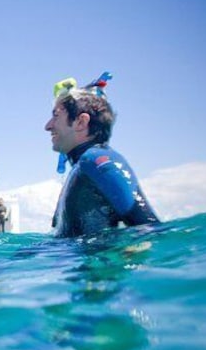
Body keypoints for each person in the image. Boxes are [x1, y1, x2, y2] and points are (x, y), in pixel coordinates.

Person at [46, 72, 159, 238]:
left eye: (56, 116)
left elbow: (149, 229)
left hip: (96, 262)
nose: (48, 126)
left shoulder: (96, 161)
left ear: (81, 122)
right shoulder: (83, 168)